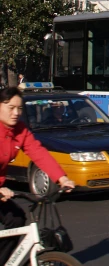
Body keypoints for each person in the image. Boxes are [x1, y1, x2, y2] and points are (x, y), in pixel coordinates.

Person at [0, 87, 75, 263]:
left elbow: (38, 153)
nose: (16, 113)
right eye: (11, 107)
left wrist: (61, 178)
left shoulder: (19, 130)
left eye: (19, 108)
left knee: (16, 218)